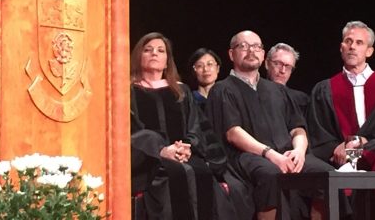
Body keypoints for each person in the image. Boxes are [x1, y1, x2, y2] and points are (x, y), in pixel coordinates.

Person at [206, 30, 335, 220]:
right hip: (248, 156)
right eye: (243, 46)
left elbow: (298, 128)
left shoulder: (276, 90)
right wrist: (270, 154)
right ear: (231, 54)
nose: (251, 50)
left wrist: (299, 151)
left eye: (257, 46)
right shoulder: (223, 89)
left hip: (287, 153)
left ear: (263, 54)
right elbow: (233, 132)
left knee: (326, 175)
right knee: (271, 174)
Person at [131, 32, 254, 220]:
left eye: (160, 50)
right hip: (151, 161)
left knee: (201, 173)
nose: (154, 53)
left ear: (167, 61)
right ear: (139, 56)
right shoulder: (128, 91)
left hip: (185, 156)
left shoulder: (181, 91)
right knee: (173, 176)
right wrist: (162, 150)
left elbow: (195, 126)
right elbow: (131, 131)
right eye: (148, 50)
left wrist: (186, 146)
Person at [308, 21, 375, 211]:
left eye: (359, 43)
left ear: (369, 51)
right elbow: (318, 133)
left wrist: (359, 140)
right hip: (340, 159)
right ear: (341, 48)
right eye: (348, 41)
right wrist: (341, 148)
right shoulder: (324, 89)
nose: (352, 46)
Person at [265, 43, 310, 116]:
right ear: (267, 64)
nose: (283, 71)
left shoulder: (302, 100)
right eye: (278, 64)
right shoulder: (252, 94)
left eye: (288, 67)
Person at [188, 48, 221, 112]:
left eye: (210, 64)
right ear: (194, 71)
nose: (205, 69)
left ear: (217, 68)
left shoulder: (226, 97)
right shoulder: (189, 100)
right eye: (200, 66)